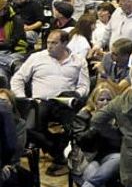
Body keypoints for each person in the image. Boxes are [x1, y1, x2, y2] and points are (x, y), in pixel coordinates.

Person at [11, 29, 90, 176]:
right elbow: (18, 79)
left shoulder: (78, 60)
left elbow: (84, 85)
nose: (49, 46)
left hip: (64, 101)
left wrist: (76, 94)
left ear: (65, 43)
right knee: (29, 129)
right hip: (40, 101)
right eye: (48, 42)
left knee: (75, 126)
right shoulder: (36, 57)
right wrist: (23, 99)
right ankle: (59, 153)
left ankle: (72, 156)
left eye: (54, 43)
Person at [67, 82, 123, 187]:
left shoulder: (119, 116)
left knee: (119, 158)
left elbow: (121, 142)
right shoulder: (84, 114)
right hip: (87, 157)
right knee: (98, 182)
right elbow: (81, 141)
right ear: (94, 100)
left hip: (110, 159)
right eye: (101, 99)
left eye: (109, 100)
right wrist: (96, 126)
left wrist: (111, 126)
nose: (105, 103)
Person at [0, 88, 30, 187]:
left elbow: (16, 151)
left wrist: (4, 165)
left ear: (12, 104)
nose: (2, 105)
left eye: (4, 101)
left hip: (11, 170)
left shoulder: (20, 123)